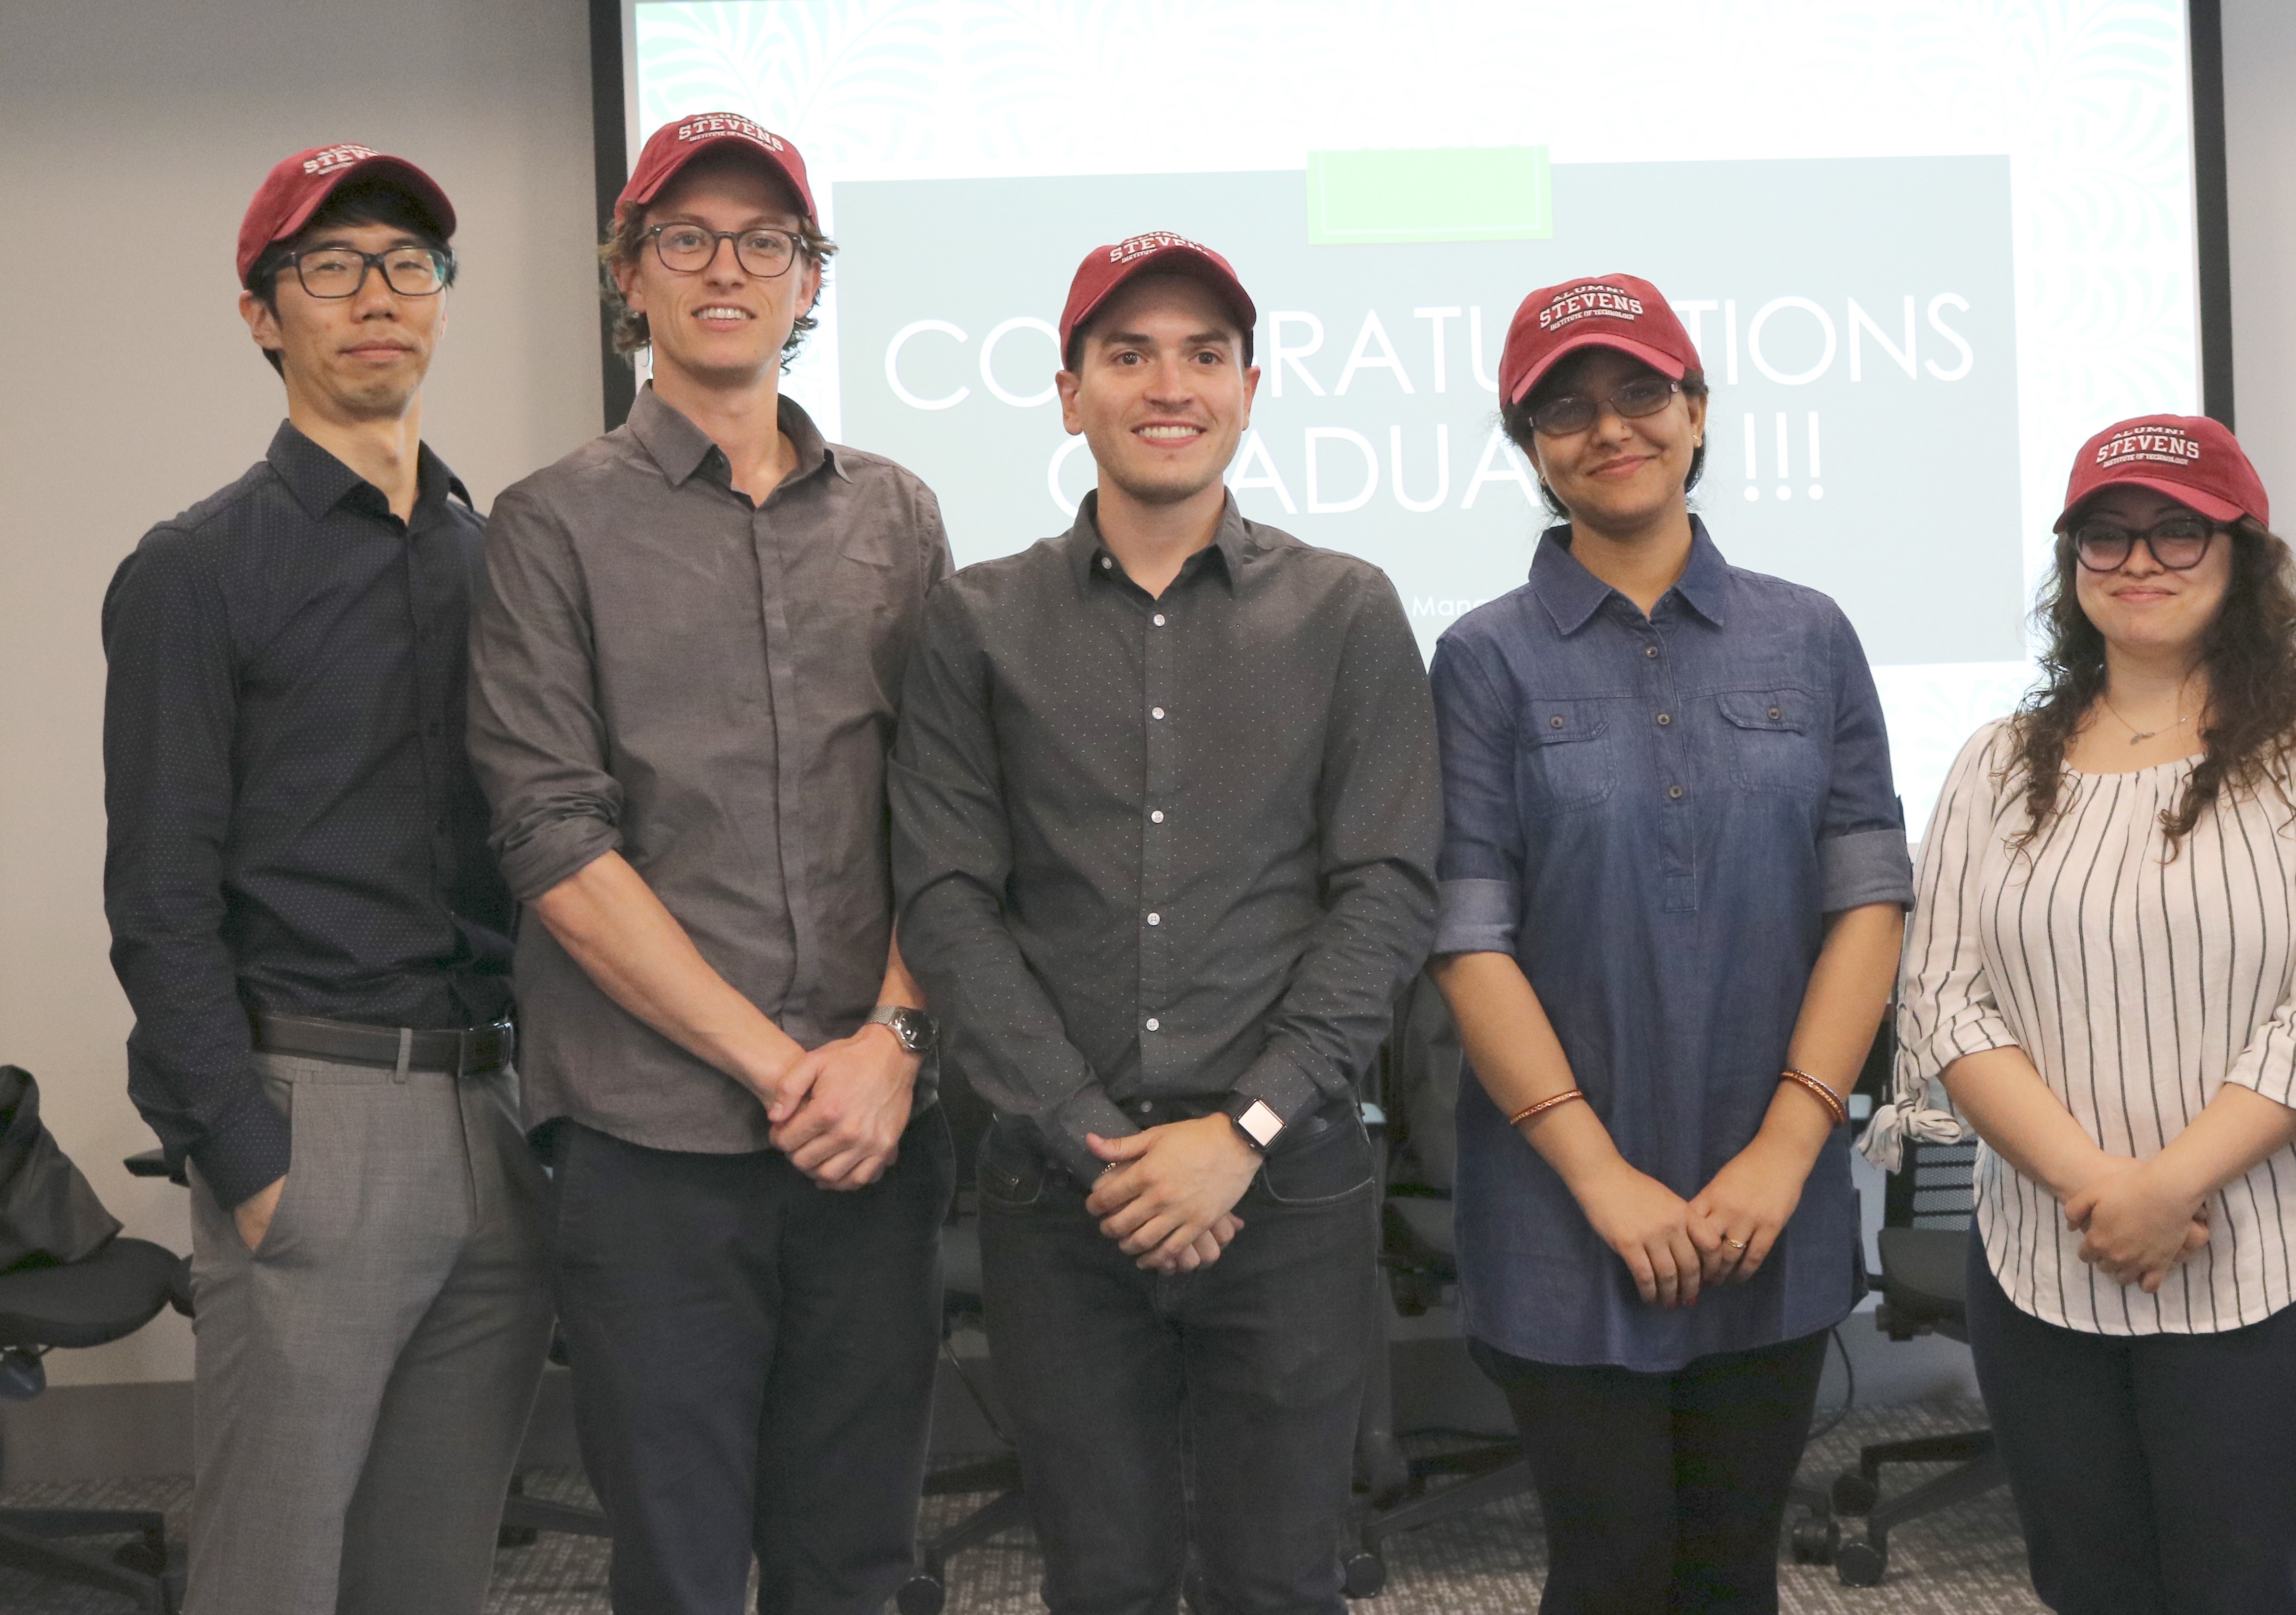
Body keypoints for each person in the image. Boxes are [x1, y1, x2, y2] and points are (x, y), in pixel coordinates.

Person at [889, 231, 1440, 1615]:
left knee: (1281, 1582)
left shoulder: (1346, 613)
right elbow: (950, 903)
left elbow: (1384, 896)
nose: (1167, 384)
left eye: (1203, 354)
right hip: (1056, 1194)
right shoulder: (975, 624)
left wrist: (1239, 1134)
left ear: (1250, 388)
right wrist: (1106, 1148)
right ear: (1069, 393)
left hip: (1290, 1181)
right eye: (1126, 354)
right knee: (1102, 1579)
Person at [467, 112, 955, 1614]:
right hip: (652, 1144)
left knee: (857, 1557)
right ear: (632, 276)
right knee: (679, 1567)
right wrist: (778, 1065)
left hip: (877, 1132)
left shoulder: (897, 514)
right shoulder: (551, 526)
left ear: (812, 281)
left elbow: (953, 817)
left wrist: (888, 1044)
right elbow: (555, 836)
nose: (726, 268)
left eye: (766, 241)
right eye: (687, 239)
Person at [104, 143, 551, 1614]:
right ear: (260, 314)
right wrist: (244, 1154)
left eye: (410, 265)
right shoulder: (198, 569)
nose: (378, 297)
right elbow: (157, 899)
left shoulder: (505, 561)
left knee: (433, 1582)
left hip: (494, 1122)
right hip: (315, 1122)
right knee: (275, 1583)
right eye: (331, 266)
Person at [1427, 273, 1913, 1614]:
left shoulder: (1809, 637)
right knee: (1610, 1569)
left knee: (1731, 1570)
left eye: (1642, 393)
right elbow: (1470, 938)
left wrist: (1785, 1150)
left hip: (1776, 1195)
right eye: (1566, 409)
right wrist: (1600, 1180)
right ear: (1532, 448)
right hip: (1562, 1210)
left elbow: (1867, 901)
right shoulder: (1482, 661)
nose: (1610, 428)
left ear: (1697, 413)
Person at [1885, 412, 2296, 1615]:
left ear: (2242, 559)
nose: (2139, 561)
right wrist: (2103, 1187)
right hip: (2044, 1259)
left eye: (2179, 532)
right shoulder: (1995, 761)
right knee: (2091, 1583)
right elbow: (1945, 999)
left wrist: (2171, 1183)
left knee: (2255, 1588)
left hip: (2279, 1264)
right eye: (2107, 535)